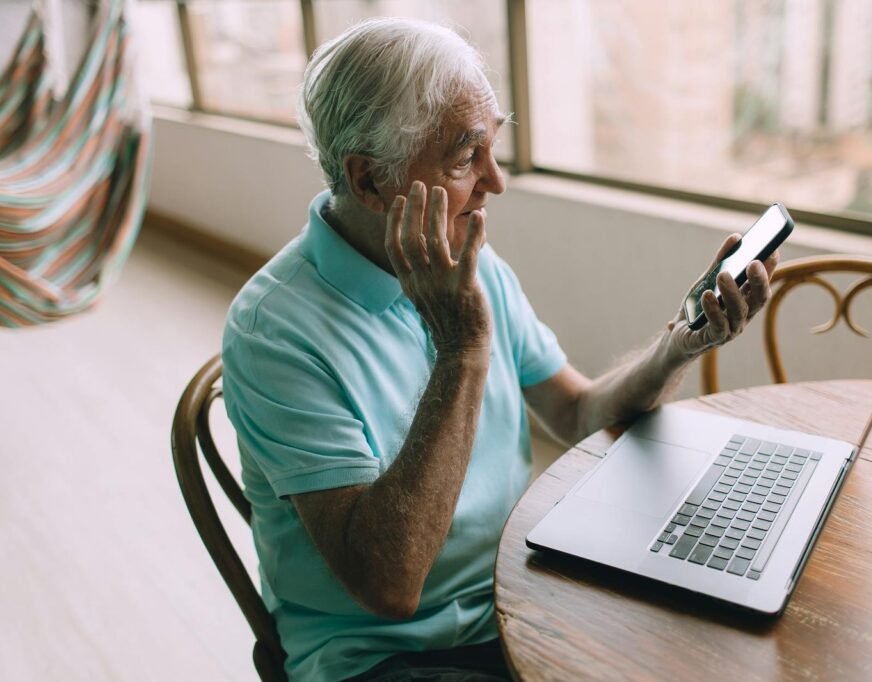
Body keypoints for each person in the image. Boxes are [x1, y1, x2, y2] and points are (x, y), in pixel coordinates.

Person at [221, 17, 779, 682]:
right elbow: (390, 585)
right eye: (464, 157)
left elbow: (574, 414)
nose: (496, 180)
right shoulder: (274, 330)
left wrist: (679, 345)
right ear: (369, 181)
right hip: (383, 657)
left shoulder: (472, 265)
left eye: (495, 148)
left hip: (514, 594)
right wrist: (462, 350)